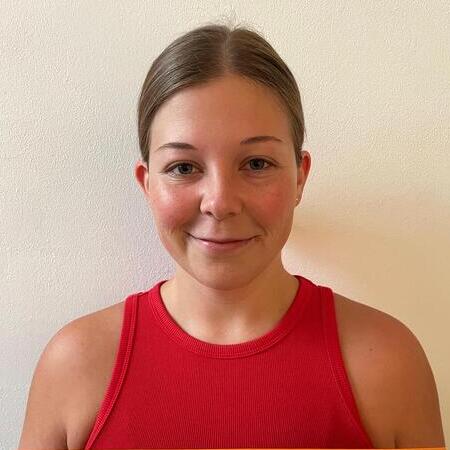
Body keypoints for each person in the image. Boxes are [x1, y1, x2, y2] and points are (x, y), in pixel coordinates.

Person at [19, 23, 445, 449]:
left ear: (300, 177)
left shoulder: (387, 363)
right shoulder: (76, 366)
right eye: (184, 167)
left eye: (256, 164)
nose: (220, 202)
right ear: (147, 184)